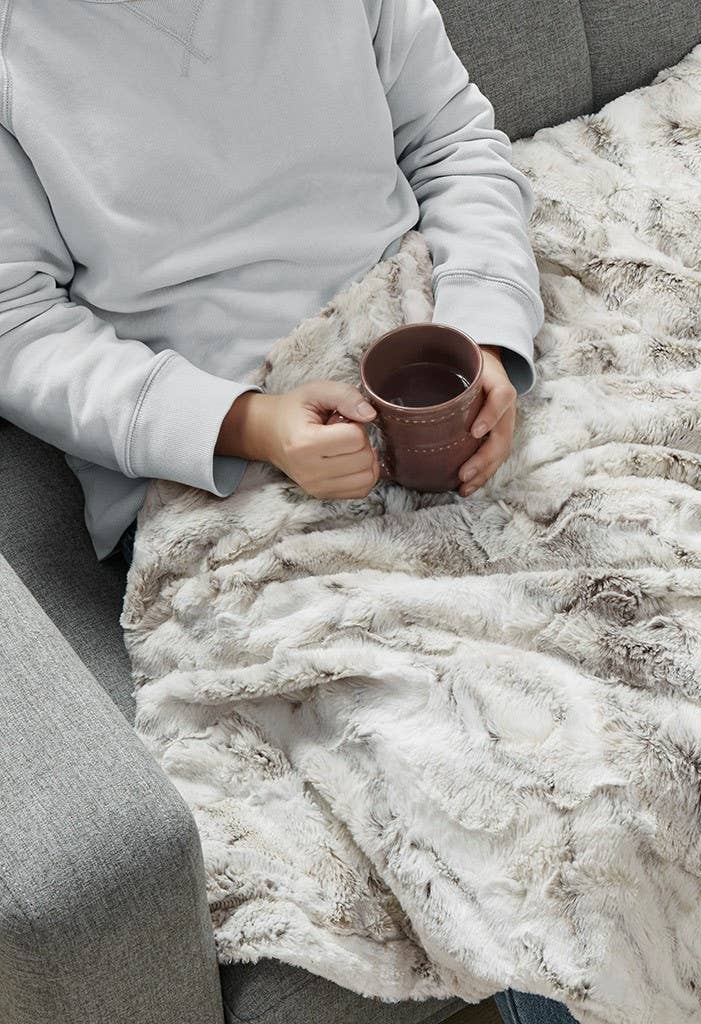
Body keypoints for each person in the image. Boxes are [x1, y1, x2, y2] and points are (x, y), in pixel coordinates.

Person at [0, 3, 573, 1023]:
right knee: (489, 776)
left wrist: (488, 334)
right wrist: (245, 422)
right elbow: (15, 329)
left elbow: (452, 139)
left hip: (416, 347)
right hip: (215, 473)